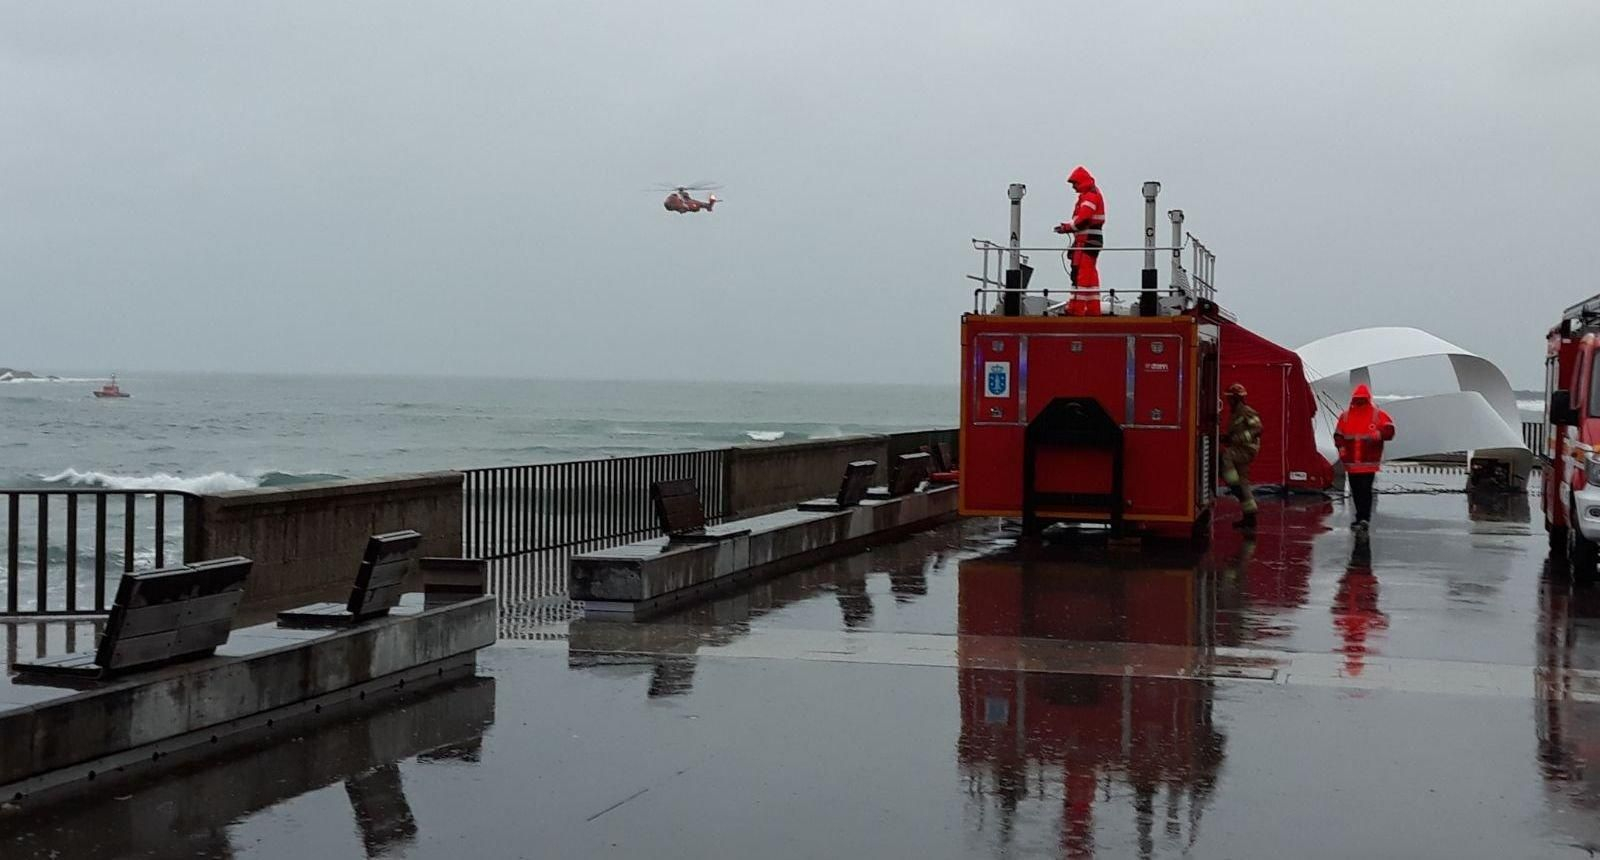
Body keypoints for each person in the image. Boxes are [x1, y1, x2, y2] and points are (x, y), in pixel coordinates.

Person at [1334, 383, 1396, 532]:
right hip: (1354, 463)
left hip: (1366, 462)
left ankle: (1363, 518)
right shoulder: (1346, 416)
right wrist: (1341, 448)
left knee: (1364, 490)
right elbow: (1338, 435)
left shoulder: (1375, 415)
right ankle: (1361, 518)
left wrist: (1379, 434)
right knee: (1358, 491)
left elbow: (1389, 430)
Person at [1052, 165, 1106, 316]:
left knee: (1081, 276)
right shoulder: (1093, 194)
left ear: (1080, 182)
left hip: (1087, 241)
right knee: (1090, 276)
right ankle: (1093, 309)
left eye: (1074, 184)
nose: (1073, 188)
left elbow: (1083, 219)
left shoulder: (1089, 196)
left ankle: (1076, 309)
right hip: (1091, 241)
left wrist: (1066, 228)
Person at [1220, 382, 1263, 531]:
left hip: (1246, 449)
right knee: (1244, 484)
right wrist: (1226, 438)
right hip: (1240, 448)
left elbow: (1257, 429)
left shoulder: (1245, 411)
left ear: (1236, 399)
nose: (1228, 401)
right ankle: (1249, 518)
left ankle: (1234, 484)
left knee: (1226, 456)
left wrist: (1237, 439)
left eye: (1230, 399)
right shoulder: (1235, 413)